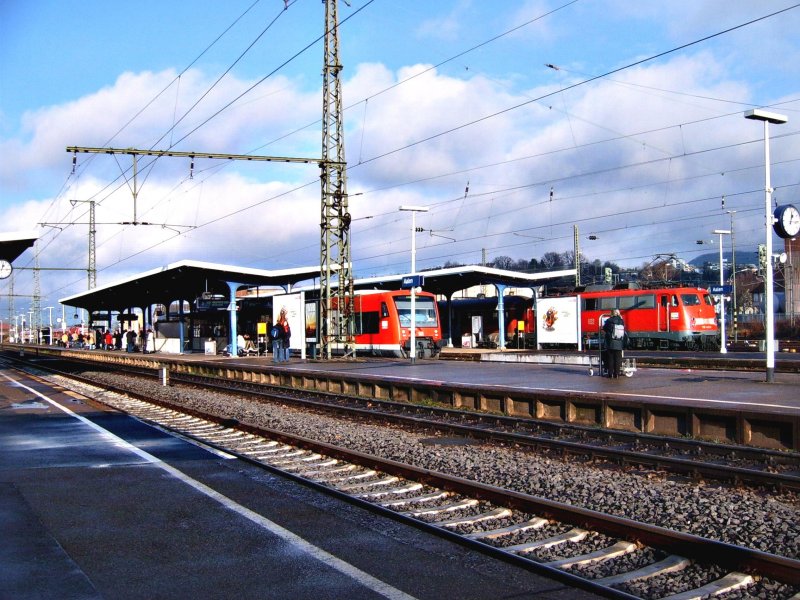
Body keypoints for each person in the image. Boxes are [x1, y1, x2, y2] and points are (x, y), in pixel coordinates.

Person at [602, 309, 626, 378]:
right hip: (619, 342)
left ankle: (610, 374)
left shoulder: (609, 321)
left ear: (611, 313)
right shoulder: (621, 321)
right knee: (618, 359)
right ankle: (617, 374)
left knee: (610, 358)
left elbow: (604, 328)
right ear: (618, 313)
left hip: (611, 343)